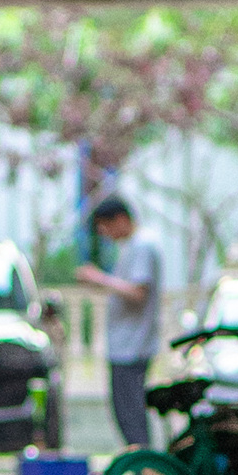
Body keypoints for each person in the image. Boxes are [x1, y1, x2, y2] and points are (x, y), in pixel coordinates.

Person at [77, 190, 164, 451]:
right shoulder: (133, 246)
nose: (104, 233)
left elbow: (139, 292)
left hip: (132, 347)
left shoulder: (142, 245)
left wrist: (99, 279)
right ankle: (143, 473)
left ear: (120, 219)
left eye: (105, 226)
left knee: (131, 418)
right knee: (126, 415)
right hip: (126, 346)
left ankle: (146, 473)